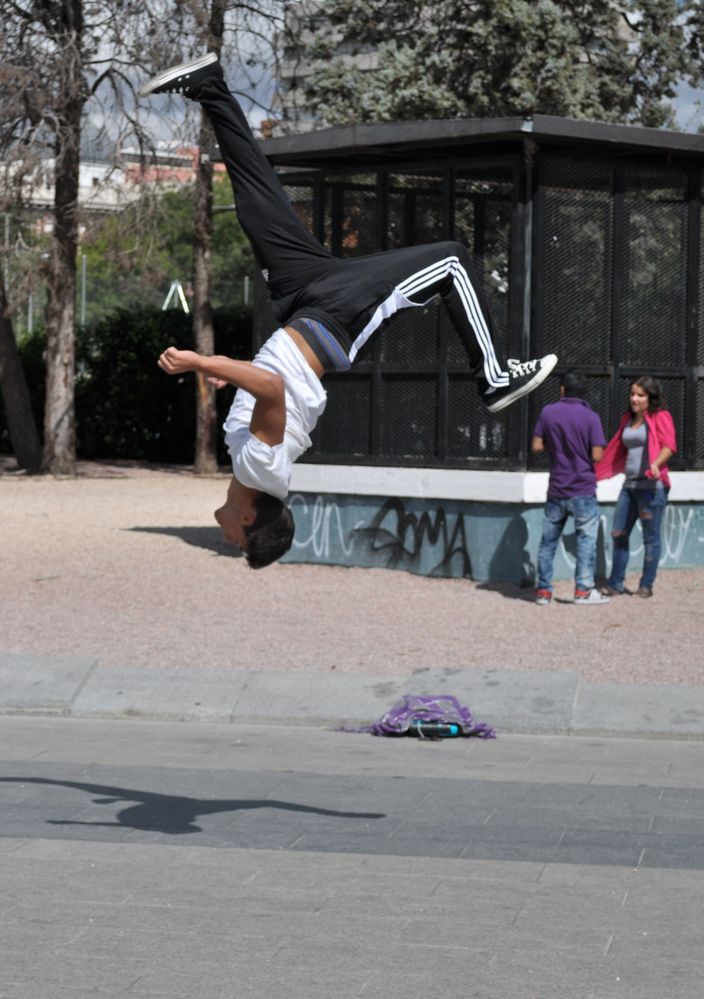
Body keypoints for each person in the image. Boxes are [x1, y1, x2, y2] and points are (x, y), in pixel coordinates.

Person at [141, 54, 557, 569]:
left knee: (256, 200)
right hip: (332, 318)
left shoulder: (251, 470)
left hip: (305, 304)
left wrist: (235, 378)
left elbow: (268, 389)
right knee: (450, 261)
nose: (226, 539)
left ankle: (210, 88)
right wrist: (202, 363)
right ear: (248, 521)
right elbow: (271, 388)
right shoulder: (259, 470)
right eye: (237, 543)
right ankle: (493, 378)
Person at [531, 370, 608, 605]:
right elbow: (597, 454)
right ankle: (583, 591)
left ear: (562, 389)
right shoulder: (591, 417)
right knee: (586, 541)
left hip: (556, 488)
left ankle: (543, 591)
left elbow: (536, 446)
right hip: (583, 488)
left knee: (548, 542)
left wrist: (556, 447)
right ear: (583, 392)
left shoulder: (547, 412)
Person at [596, 376, 676, 598]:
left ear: (650, 398)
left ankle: (646, 585)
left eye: (640, 395)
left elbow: (669, 445)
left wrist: (656, 463)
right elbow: (616, 449)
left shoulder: (661, 417)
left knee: (651, 539)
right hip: (629, 486)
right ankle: (616, 583)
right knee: (618, 533)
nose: (634, 398)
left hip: (652, 487)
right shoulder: (628, 420)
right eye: (632, 394)